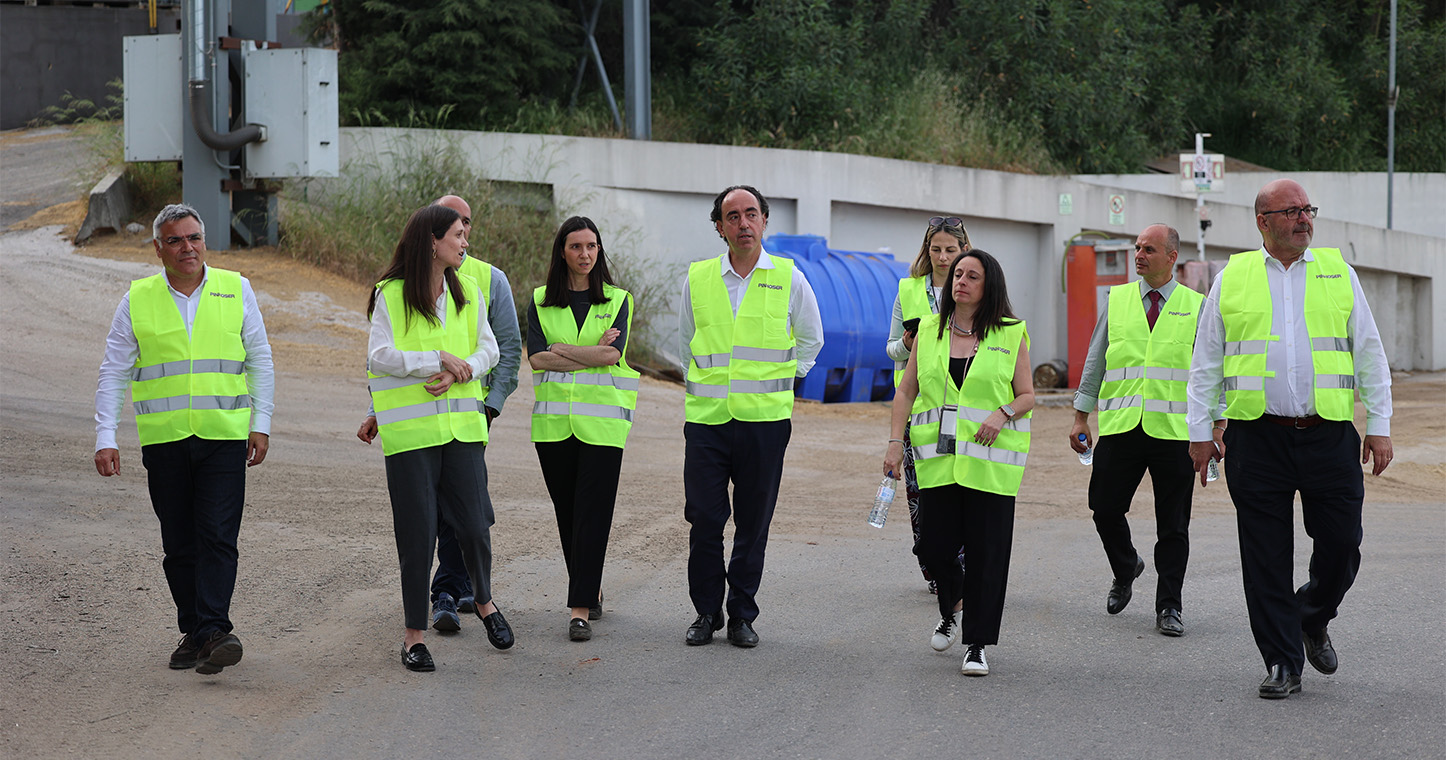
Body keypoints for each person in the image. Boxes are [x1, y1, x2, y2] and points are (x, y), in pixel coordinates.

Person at [1186, 179, 1393, 700]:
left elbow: (1368, 351)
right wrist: (1199, 433)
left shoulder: (1337, 272)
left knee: (1343, 544)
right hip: (1257, 438)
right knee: (1264, 559)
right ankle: (1282, 662)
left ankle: (1312, 614)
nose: (1304, 219)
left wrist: (1380, 423)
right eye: (1292, 211)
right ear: (1263, 222)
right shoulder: (1233, 277)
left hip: (1328, 435)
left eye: (1308, 210)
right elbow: (1206, 362)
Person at [93, 203, 274, 675]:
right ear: (158, 248)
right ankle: (196, 631)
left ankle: (214, 628)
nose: (186, 247)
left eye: (193, 237)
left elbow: (259, 358)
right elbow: (114, 371)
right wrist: (104, 435)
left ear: (204, 240)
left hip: (225, 436)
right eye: (175, 240)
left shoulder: (237, 290)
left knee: (217, 534)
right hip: (165, 440)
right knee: (178, 543)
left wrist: (262, 421)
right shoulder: (138, 298)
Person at [355, 195, 524, 634]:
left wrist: (460, 371)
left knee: (473, 525)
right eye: (458, 234)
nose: (466, 241)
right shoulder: (390, 294)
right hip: (411, 438)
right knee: (417, 536)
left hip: (463, 430)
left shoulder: (468, 291)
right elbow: (380, 356)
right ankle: (414, 636)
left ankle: (484, 602)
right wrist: (438, 359)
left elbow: (491, 347)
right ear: (433, 242)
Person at [679, 184, 824, 647]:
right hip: (707, 422)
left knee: (752, 522)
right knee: (704, 519)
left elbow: (810, 341)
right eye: (732, 216)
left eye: (751, 214)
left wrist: (783, 382)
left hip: (764, 424)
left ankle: (741, 613)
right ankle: (706, 613)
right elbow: (686, 343)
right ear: (719, 227)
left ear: (764, 221)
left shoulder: (789, 277)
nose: (743, 223)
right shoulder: (698, 279)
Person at [884, 249, 1034, 676]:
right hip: (938, 464)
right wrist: (896, 443)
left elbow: (1027, 394)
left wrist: (1002, 412)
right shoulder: (929, 330)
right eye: (958, 275)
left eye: (972, 276)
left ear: (990, 287)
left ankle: (977, 645)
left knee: (988, 556)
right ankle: (952, 607)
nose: (961, 281)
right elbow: (906, 392)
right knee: (932, 547)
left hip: (991, 465)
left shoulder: (1011, 332)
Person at [1068, 224, 1205, 637]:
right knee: (1104, 508)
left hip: (1175, 432)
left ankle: (1169, 607)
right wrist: (1080, 415)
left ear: (1172, 256)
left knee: (1173, 526)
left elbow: (1208, 372)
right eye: (1137, 248)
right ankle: (1126, 566)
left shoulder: (1197, 306)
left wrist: (1215, 427)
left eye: (1149, 249)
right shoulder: (1120, 299)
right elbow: (1097, 358)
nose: (1139, 255)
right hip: (1122, 425)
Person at [526, 216, 639, 641]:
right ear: (562, 252)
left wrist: (561, 349)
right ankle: (589, 587)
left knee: (593, 514)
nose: (585, 254)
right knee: (567, 514)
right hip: (554, 426)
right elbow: (536, 359)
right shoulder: (539, 300)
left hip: (604, 426)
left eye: (592, 246)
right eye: (576, 246)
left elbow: (612, 358)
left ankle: (579, 609)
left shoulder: (618, 299)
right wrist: (588, 350)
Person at [885, 216, 971, 594]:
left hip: (964, 405)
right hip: (918, 408)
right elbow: (890, 350)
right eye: (935, 250)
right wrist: (907, 343)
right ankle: (933, 564)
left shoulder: (976, 288)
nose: (942, 257)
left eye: (950, 250)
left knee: (962, 485)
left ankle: (963, 563)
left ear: (964, 251)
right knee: (921, 491)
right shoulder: (908, 291)